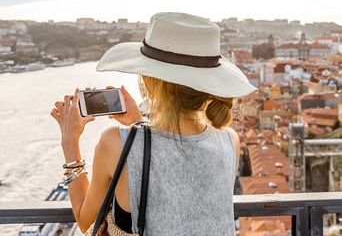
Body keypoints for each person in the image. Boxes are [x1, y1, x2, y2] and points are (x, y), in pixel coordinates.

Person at [51, 12, 257, 235]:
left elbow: (85, 220)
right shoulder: (229, 140)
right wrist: (138, 123)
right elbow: (179, 188)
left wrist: (70, 140)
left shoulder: (115, 143)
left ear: (150, 81)